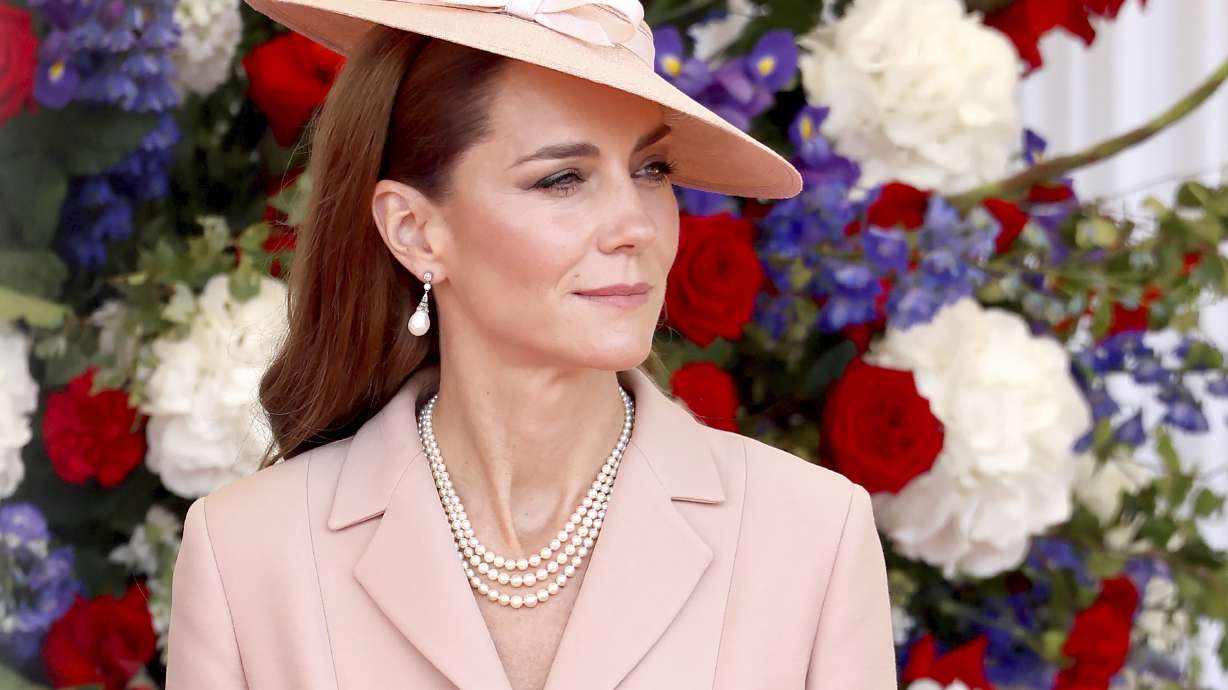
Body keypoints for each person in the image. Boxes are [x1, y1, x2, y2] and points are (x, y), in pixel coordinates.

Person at [164, 0, 897, 687]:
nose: (635, 227)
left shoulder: (812, 535)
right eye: (563, 179)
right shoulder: (246, 555)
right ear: (415, 230)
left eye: (651, 170)